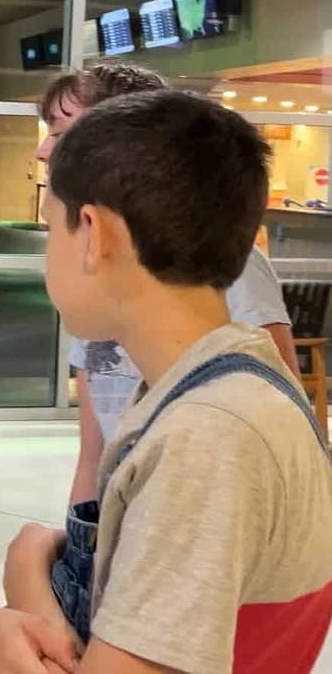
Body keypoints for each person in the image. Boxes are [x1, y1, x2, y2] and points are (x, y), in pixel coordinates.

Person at [0, 90, 332, 673]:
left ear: (94, 233)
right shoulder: (229, 390)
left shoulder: (205, 437)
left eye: (51, 228)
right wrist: (36, 569)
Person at [35, 64, 300, 504]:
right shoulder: (96, 296)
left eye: (62, 133)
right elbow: (94, 452)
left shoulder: (215, 264)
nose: (43, 151)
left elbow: (282, 407)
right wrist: (80, 546)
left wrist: (29, 575)